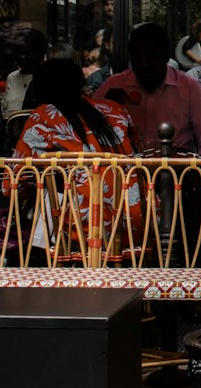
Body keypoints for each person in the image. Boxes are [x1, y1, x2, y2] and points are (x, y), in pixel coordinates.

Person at [11, 56, 141, 248]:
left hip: (80, 226)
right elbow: (136, 153)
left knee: (48, 196)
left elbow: (13, 183)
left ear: (39, 90)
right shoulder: (115, 109)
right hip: (134, 221)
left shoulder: (44, 115)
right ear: (80, 84)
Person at [95, 22, 201, 156]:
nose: (144, 64)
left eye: (151, 57)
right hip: (127, 173)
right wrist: (110, 108)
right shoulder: (114, 85)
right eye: (137, 57)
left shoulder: (189, 88)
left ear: (166, 56)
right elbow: (87, 127)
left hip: (177, 172)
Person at [0, 29, 48, 118]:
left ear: (38, 53)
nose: (23, 57)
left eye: (28, 53)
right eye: (19, 52)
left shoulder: (47, 77)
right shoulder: (12, 77)